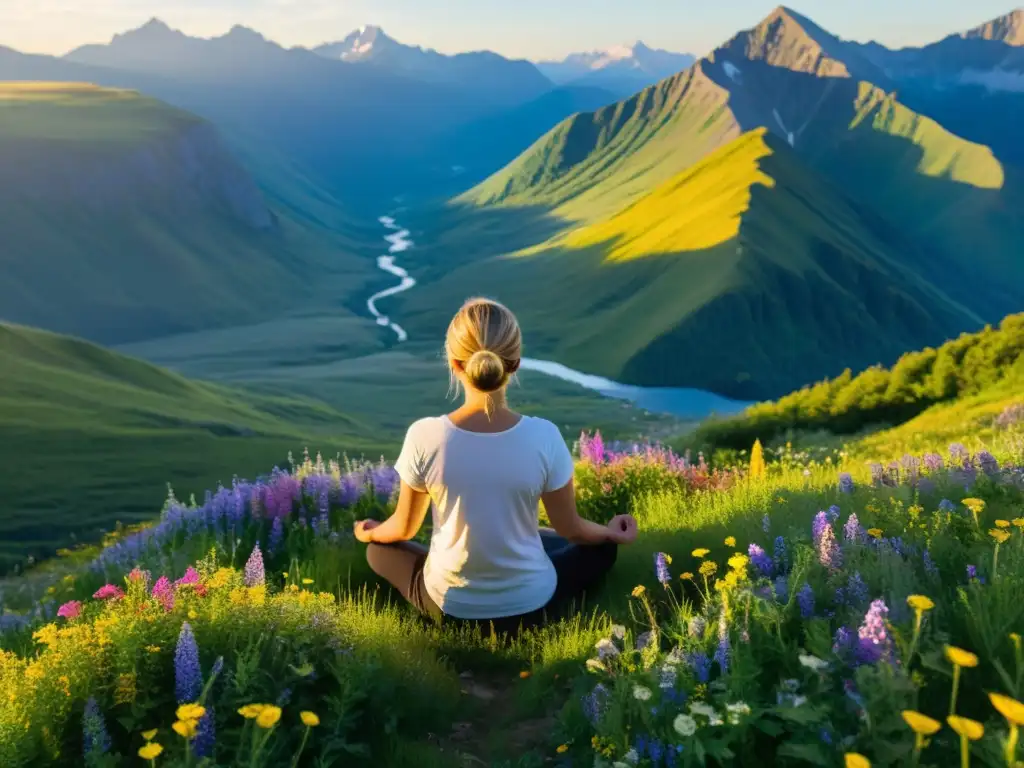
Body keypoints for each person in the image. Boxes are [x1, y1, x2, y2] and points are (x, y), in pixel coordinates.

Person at [354, 297, 638, 635]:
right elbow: (571, 530)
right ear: (515, 364)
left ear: (454, 363)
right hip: (532, 606)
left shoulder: (425, 435)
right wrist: (608, 532)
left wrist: (368, 531)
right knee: (598, 548)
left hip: (450, 608)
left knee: (378, 550)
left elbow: (403, 530)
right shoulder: (544, 435)